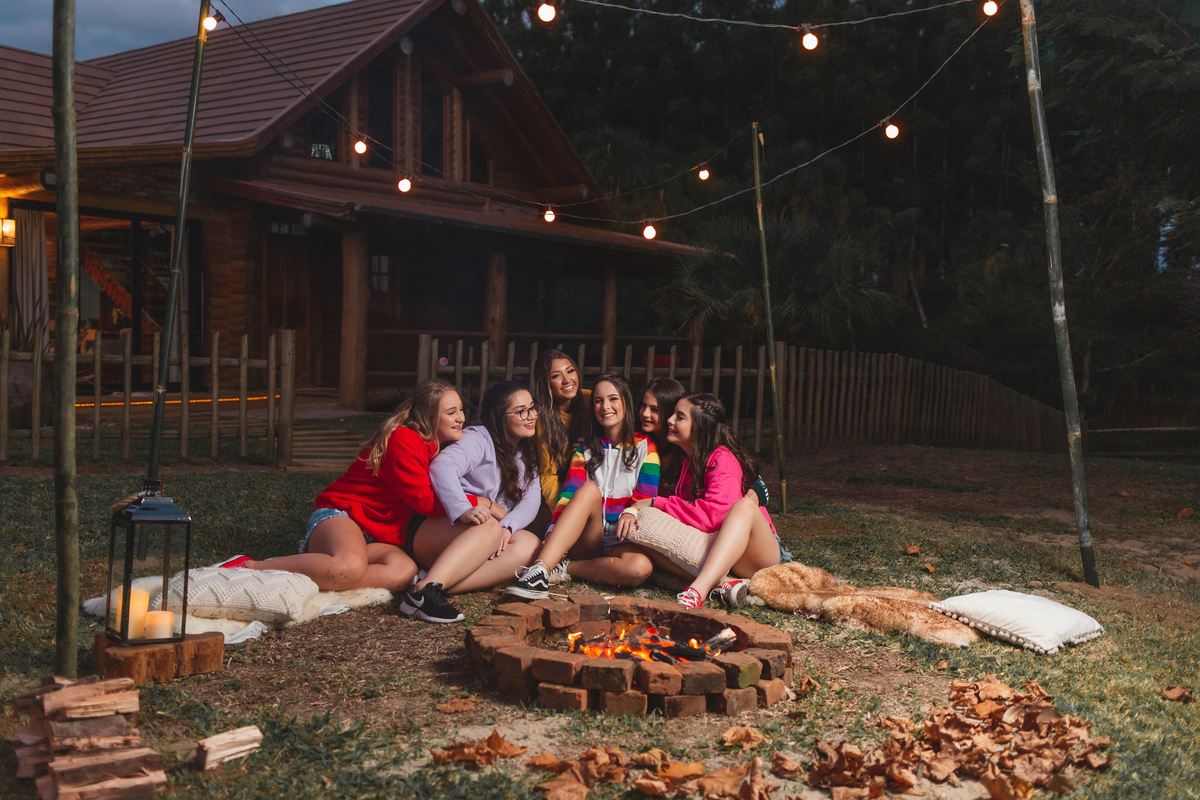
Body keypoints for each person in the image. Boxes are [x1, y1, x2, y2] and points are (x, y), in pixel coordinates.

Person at [233, 380, 463, 594]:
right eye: (451, 413)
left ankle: (319, 579)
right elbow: (425, 501)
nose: (461, 418)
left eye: (461, 410)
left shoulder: (440, 449)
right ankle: (251, 568)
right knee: (349, 567)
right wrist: (476, 504)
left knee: (403, 572)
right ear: (428, 416)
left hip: (375, 536)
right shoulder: (404, 438)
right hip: (343, 515)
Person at [506, 372, 660, 599]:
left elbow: (646, 496)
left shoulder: (646, 448)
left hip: (623, 539)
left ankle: (566, 568)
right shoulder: (586, 449)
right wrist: (553, 530)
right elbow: (569, 493)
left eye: (613, 399)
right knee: (588, 489)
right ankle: (540, 571)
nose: (605, 406)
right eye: (598, 401)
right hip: (589, 537)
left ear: (626, 401)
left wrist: (633, 510)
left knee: (639, 568)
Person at [400, 380, 542, 623]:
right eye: (521, 411)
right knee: (489, 527)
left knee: (530, 544)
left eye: (532, 408)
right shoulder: (478, 438)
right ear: (500, 417)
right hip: (436, 530)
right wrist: (463, 508)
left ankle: (430, 584)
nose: (532, 416)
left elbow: (532, 499)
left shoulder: (524, 454)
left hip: (479, 538)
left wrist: (509, 525)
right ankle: (425, 590)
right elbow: (442, 467)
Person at [625, 392, 781, 609]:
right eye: (673, 415)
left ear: (699, 427)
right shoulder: (686, 460)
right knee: (643, 536)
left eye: (680, 417)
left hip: (755, 554)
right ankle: (725, 584)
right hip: (723, 551)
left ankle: (696, 591)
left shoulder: (722, 458)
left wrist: (657, 502)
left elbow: (715, 515)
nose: (670, 420)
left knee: (745, 505)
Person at [531, 349, 592, 510]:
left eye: (570, 371)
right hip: (560, 487)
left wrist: (591, 443)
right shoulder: (541, 418)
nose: (567, 380)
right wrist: (561, 511)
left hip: (593, 478)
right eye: (556, 376)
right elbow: (548, 474)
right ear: (545, 383)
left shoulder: (590, 399)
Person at [638, 376, 686, 496]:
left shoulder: (681, 452)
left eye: (655, 410)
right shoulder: (636, 441)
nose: (645, 414)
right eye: (643, 405)